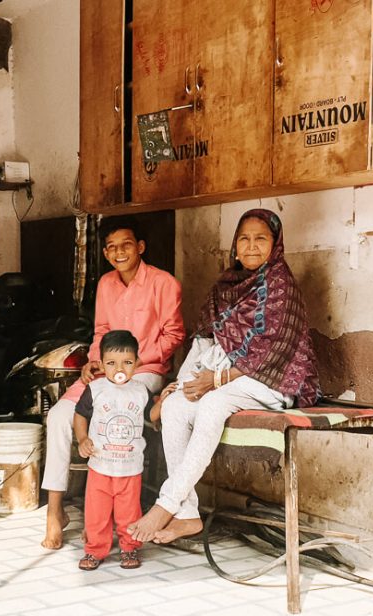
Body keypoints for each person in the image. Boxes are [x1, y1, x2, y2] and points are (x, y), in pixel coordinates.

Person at [130, 209, 320, 544]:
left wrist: (214, 382)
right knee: (176, 409)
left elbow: (272, 353)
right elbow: (204, 340)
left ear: (275, 245)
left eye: (260, 239)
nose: (250, 246)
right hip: (222, 376)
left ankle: (167, 504)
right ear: (234, 246)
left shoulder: (281, 286)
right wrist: (177, 389)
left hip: (273, 380)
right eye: (243, 239)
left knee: (212, 405)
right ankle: (188, 516)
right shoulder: (226, 286)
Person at [41, 220, 184, 549]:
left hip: (146, 370)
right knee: (60, 416)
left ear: (141, 247)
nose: (120, 252)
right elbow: (101, 331)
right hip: (105, 372)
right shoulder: (106, 284)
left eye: (127, 245)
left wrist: (128, 364)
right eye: (112, 247)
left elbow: (174, 335)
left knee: (114, 408)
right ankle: (54, 510)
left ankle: (113, 509)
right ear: (105, 253)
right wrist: (95, 362)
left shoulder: (164, 284)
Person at [73, 330, 148, 570]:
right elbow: (79, 416)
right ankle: (95, 550)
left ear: (137, 363)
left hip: (130, 468)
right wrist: (82, 438)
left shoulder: (141, 391)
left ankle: (130, 548)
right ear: (102, 364)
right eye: (112, 363)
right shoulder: (95, 389)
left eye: (127, 362)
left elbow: (153, 417)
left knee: (130, 513)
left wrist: (164, 400)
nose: (120, 368)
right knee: (97, 514)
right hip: (100, 467)